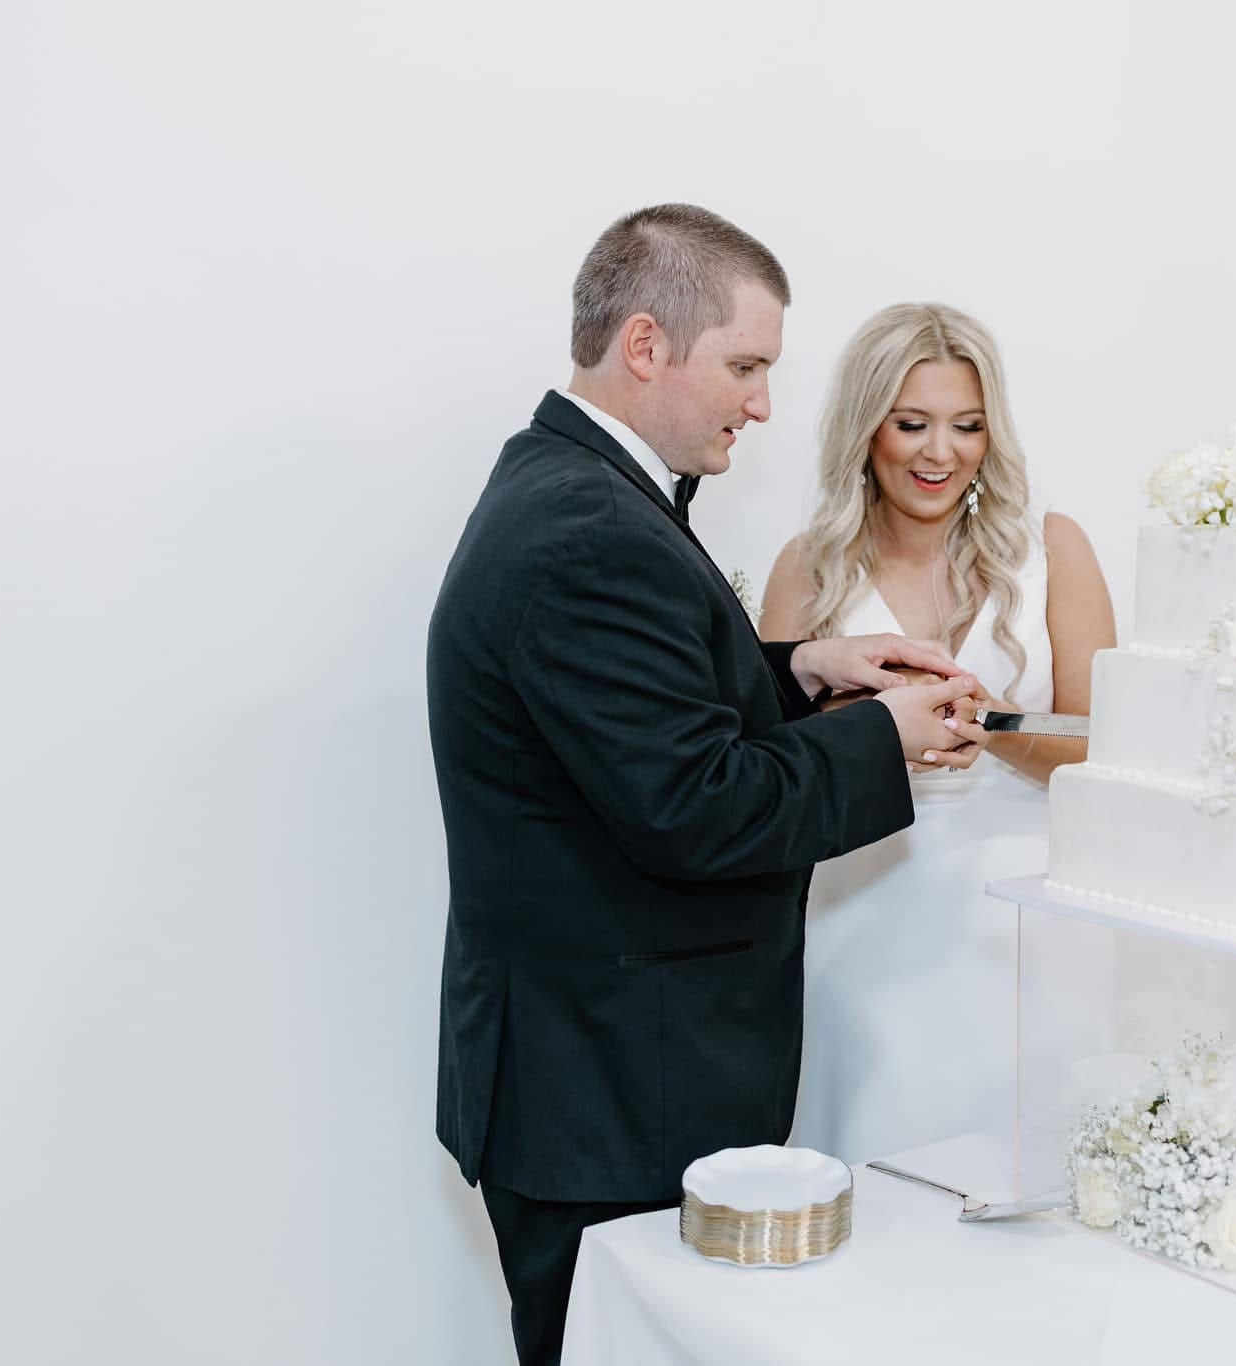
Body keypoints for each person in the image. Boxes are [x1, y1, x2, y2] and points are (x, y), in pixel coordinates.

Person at [426, 207, 985, 1366]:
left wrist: (804, 669)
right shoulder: (588, 532)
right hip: (612, 1088)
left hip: (605, 1070)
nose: (762, 403)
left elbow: (638, 725)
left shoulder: (567, 486)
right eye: (745, 366)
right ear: (645, 346)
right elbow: (696, 805)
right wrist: (884, 736)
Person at [760, 302, 1117, 1170]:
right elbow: (772, 762)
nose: (939, 452)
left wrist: (987, 724)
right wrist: (883, 728)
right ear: (865, 428)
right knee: (876, 1164)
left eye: (966, 426)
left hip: (1029, 922)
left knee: (1041, 1165)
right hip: (868, 910)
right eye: (911, 423)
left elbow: (1106, 752)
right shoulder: (808, 565)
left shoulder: (1053, 550)